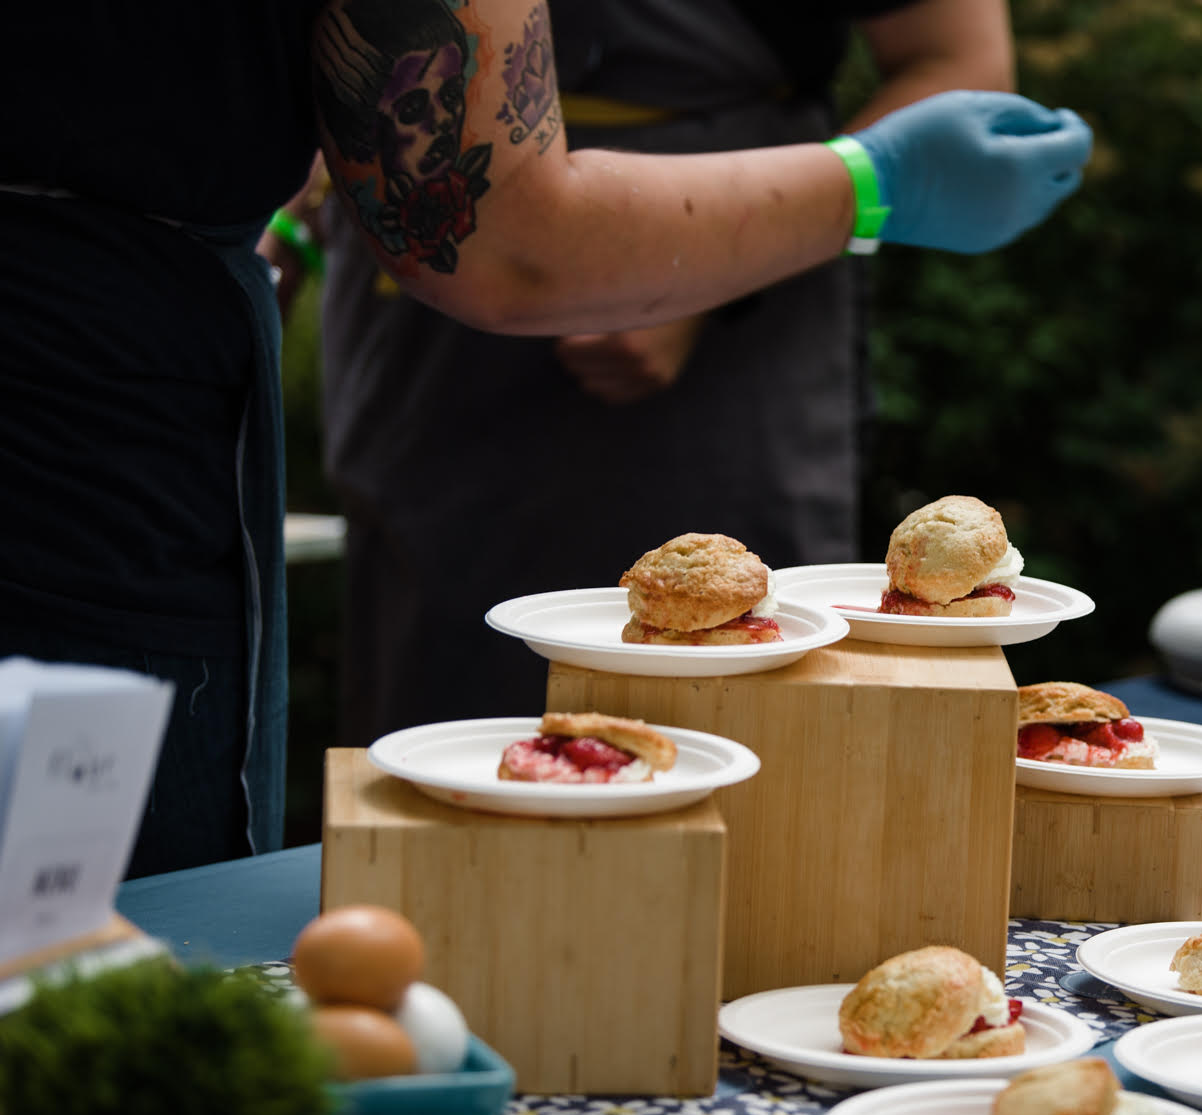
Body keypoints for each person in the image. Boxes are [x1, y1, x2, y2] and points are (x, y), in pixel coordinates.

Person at [0, 2, 1091, 877]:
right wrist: (873, 184)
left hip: (713, 343)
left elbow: (951, 47)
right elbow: (505, 235)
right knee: (421, 769)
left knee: (729, 735)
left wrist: (699, 287)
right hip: (351, 341)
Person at [297, 0, 1018, 743]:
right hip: (437, 323)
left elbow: (958, 56)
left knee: (733, 703)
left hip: (727, 329)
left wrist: (693, 279)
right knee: (443, 701)